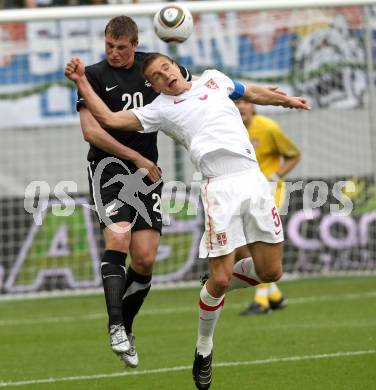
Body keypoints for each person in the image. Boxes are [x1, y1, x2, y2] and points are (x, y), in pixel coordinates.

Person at [64, 53, 309, 389]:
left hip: (254, 181)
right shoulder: (160, 109)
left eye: (167, 67)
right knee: (221, 283)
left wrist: (286, 101)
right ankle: (204, 350)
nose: (165, 75)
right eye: (156, 76)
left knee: (271, 272)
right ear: (153, 85)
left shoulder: (214, 78)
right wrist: (80, 82)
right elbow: (108, 118)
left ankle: (213, 283)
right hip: (218, 188)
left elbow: (250, 91)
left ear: (177, 67)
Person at [76, 16, 191, 368]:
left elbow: (186, 87)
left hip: (147, 174)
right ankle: (114, 326)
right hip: (109, 170)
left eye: (121, 47)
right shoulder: (93, 76)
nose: (114, 52)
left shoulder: (153, 69)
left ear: (135, 45)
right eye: (109, 45)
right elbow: (91, 133)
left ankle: (126, 326)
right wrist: (136, 157)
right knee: (119, 240)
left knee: (144, 259)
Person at [234, 99, 301, 315]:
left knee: (258, 244)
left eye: (244, 102)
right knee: (242, 247)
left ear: (253, 106)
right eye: (235, 102)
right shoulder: (229, 129)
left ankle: (261, 302)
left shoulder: (268, 127)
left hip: (269, 192)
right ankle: (275, 296)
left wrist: (276, 176)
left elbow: (293, 154)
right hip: (242, 191)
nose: (241, 106)